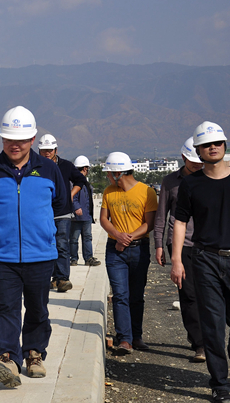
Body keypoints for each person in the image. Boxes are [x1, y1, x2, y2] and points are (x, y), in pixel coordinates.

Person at [0, 106, 66, 388]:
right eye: (9, 139)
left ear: (32, 139)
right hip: (2, 255)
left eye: (22, 140)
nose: (15, 145)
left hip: (40, 254)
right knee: (7, 308)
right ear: (2, 139)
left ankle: (34, 354)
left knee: (38, 308)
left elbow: (60, 203)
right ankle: (7, 358)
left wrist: (38, 226)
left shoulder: (49, 169)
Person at [171, 121, 230, 403]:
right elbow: (180, 222)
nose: (212, 148)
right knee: (212, 325)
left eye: (217, 143)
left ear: (225, 145)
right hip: (205, 259)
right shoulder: (191, 184)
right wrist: (176, 260)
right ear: (198, 150)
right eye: (206, 145)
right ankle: (220, 384)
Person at [100, 152, 157, 355]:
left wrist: (128, 238)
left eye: (109, 173)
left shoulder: (147, 192)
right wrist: (117, 235)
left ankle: (136, 336)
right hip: (115, 250)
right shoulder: (109, 192)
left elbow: (149, 223)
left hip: (139, 249)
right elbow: (104, 219)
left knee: (136, 295)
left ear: (118, 173)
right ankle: (124, 339)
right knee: (120, 295)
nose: (107, 176)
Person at [154, 137, 204, 363]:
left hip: (207, 244)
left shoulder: (209, 178)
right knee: (189, 294)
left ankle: (210, 338)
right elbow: (161, 215)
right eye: (193, 162)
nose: (198, 165)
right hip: (180, 245)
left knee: (210, 294)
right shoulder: (170, 182)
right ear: (183, 158)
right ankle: (199, 343)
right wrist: (158, 244)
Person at [38, 134, 87, 292]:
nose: (47, 153)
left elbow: (80, 180)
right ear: (39, 151)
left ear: (56, 150)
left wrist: (71, 194)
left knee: (61, 245)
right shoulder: (35, 167)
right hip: (42, 213)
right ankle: (53, 278)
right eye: (44, 150)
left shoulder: (66, 166)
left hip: (62, 213)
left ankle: (63, 278)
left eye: (50, 150)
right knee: (45, 246)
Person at [70, 155, 101, 267]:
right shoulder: (73, 182)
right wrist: (77, 207)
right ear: (85, 168)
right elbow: (72, 196)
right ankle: (73, 259)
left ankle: (88, 258)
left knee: (87, 238)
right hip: (77, 216)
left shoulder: (85, 183)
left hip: (87, 215)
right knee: (74, 239)